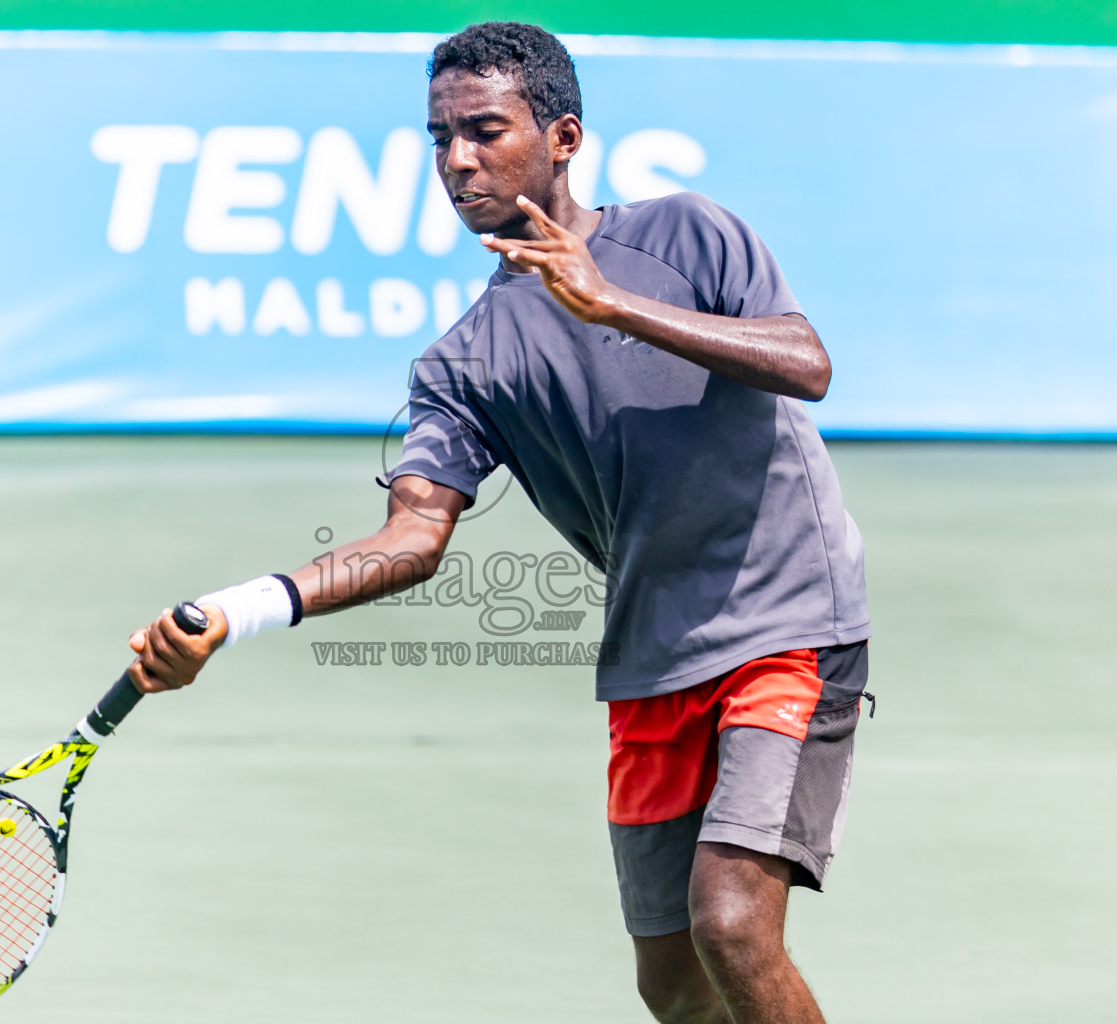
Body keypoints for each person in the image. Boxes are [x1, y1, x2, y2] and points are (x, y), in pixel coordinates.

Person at [127, 22, 870, 1024]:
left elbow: (807, 361)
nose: (457, 160)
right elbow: (410, 541)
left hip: (790, 617)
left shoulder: (688, 234)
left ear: (563, 136)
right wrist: (236, 609)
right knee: (675, 984)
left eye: (484, 130)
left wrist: (612, 304)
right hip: (654, 654)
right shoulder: (463, 362)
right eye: (439, 138)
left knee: (732, 921)